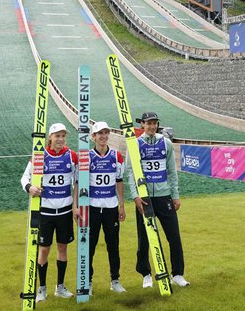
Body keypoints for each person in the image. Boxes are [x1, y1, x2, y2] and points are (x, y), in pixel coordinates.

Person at [126, 111, 190, 289]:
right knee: (144, 239)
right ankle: (146, 274)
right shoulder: (136, 144)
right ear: (143, 125)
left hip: (164, 196)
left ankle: (177, 274)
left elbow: (172, 172)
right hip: (145, 198)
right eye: (149, 123)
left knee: (174, 237)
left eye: (155, 123)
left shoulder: (166, 142)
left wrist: (175, 195)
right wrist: (136, 196)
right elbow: (130, 172)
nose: (152, 126)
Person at [21, 122, 78, 302]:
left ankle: (60, 287)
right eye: (57, 136)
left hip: (65, 211)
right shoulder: (40, 156)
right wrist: (30, 187)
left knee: (63, 247)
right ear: (50, 138)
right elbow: (24, 177)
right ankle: (42, 289)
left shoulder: (72, 156)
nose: (60, 139)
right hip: (45, 212)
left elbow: (77, 182)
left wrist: (75, 205)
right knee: (44, 250)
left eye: (63, 136)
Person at [73, 121, 126, 296]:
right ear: (93, 137)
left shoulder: (116, 156)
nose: (103, 136)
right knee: (89, 246)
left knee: (113, 246)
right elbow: (78, 183)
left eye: (105, 132)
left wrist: (121, 205)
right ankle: (87, 281)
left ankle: (115, 280)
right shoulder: (86, 157)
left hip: (110, 208)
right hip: (92, 209)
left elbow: (119, 181)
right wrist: (77, 207)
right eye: (99, 133)